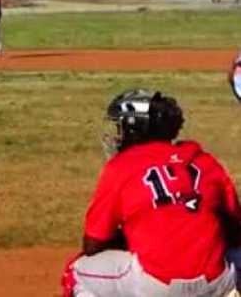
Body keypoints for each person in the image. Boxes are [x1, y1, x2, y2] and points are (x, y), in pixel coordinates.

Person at [61, 89, 241, 297]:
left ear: (134, 128)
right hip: (218, 283)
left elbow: (93, 244)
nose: (117, 135)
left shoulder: (121, 167)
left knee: (76, 272)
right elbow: (235, 230)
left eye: (120, 126)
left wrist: (132, 237)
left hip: (156, 286)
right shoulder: (204, 161)